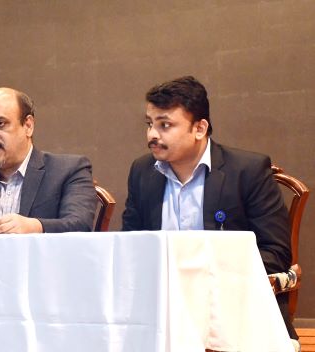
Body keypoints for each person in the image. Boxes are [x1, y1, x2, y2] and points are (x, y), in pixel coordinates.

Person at [121, 76, 298, 343]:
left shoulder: (247, 171)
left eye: (165, 125)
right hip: (162, 313)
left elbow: (275, 253)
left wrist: (194, 278)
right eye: (149, 124)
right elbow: (131, 245)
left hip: (236, 312)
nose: (152, 135)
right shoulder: (142, 171)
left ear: (200, 128)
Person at [0, 87, 96, 235]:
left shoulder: (68, 171)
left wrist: (36, 227)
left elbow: (80, 225)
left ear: (28, 126)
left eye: (0, 123)